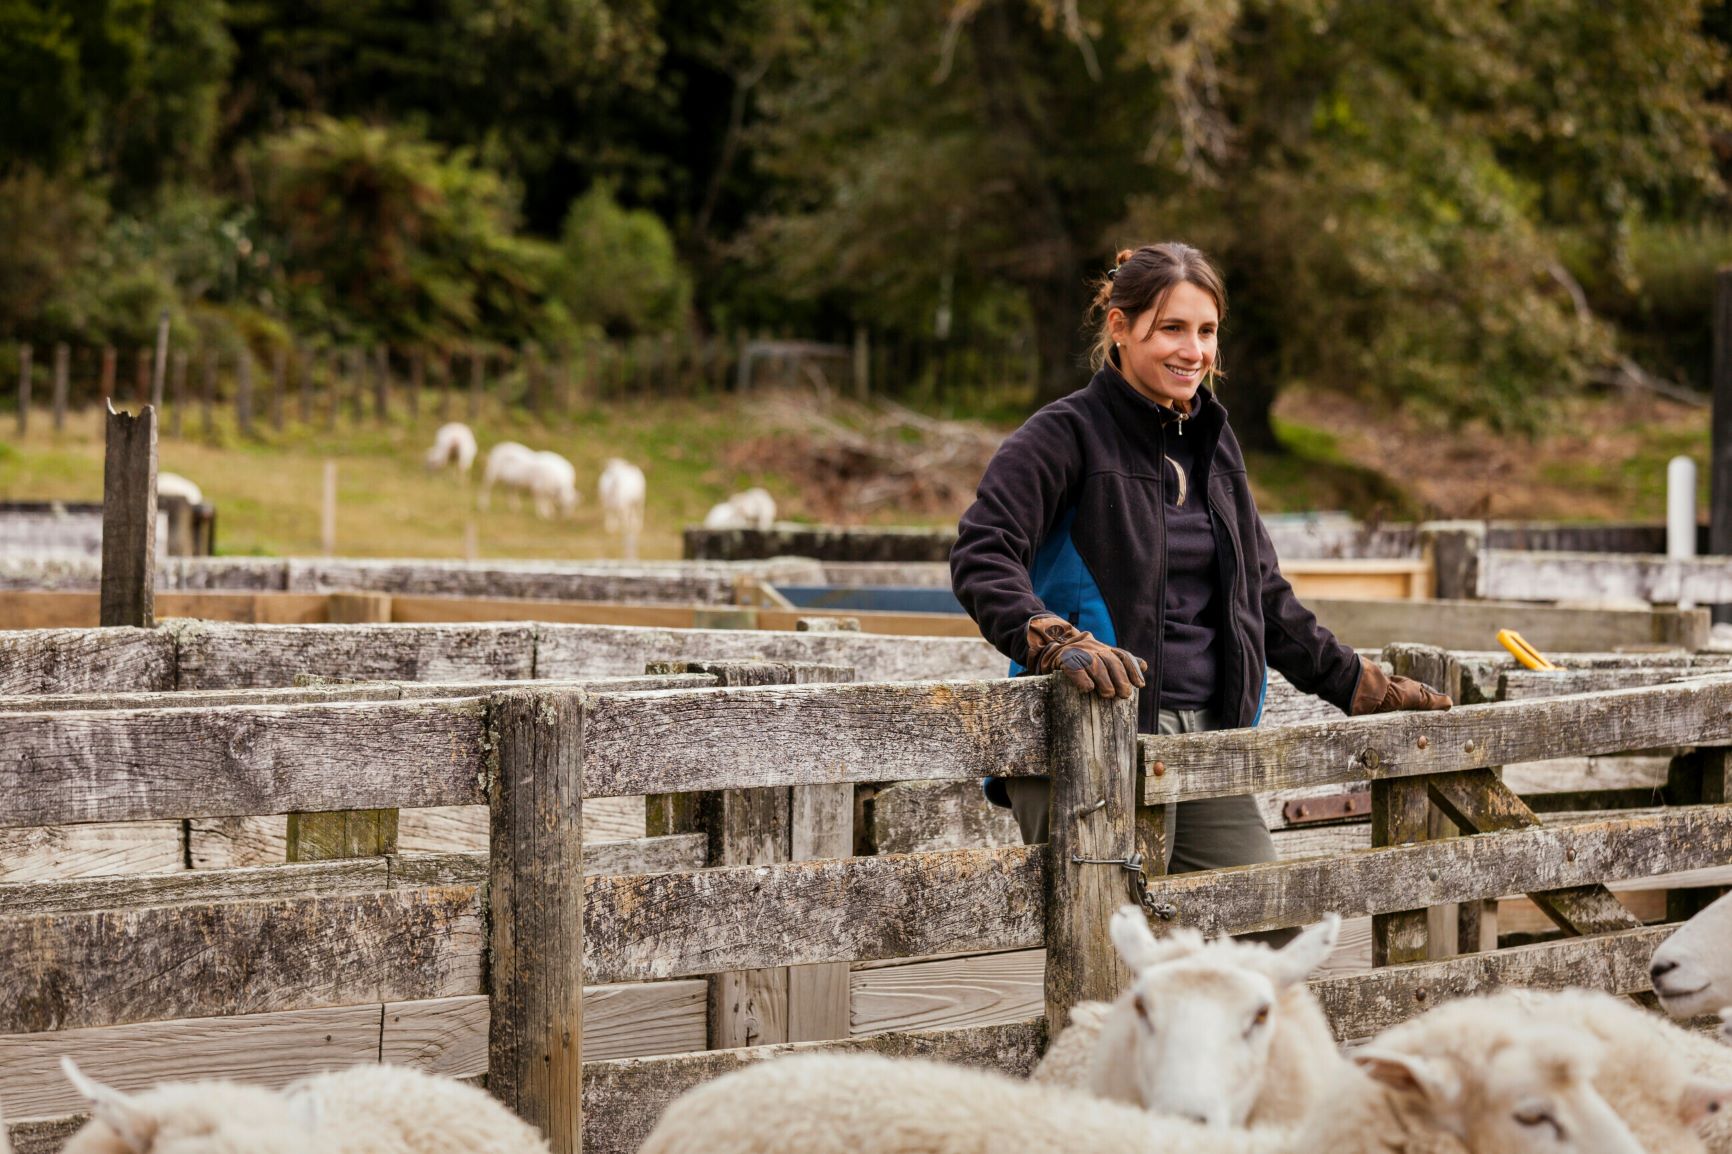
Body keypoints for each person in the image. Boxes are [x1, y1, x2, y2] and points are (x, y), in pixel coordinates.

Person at [950, 241, 1450, 871]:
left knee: (1262, 934)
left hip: (1208, 741)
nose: (1194, 351)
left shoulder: (1216, 444)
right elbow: (982, 553)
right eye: (1172, 329)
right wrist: (1048, 638)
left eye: (1207, 331)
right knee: (1111, 955)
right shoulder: (1063, 434)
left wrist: (1359, 686)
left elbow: (1262, 598)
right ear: (1120, 328)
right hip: (1088, 733)